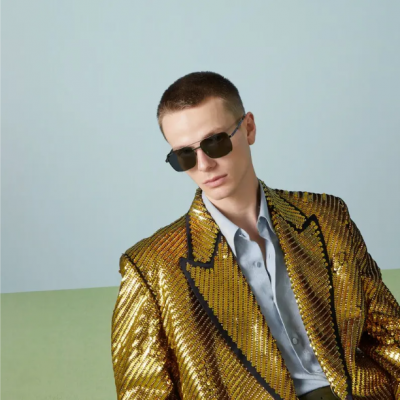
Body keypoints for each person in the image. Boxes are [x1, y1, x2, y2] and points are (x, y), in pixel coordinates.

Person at [111, 71, 400, 400]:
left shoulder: (327, 217)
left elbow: (390, 334)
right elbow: (143, 393)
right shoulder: (151, 267)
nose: (203, 165)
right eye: (184, 155)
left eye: (215, 142)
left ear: (248, 128)